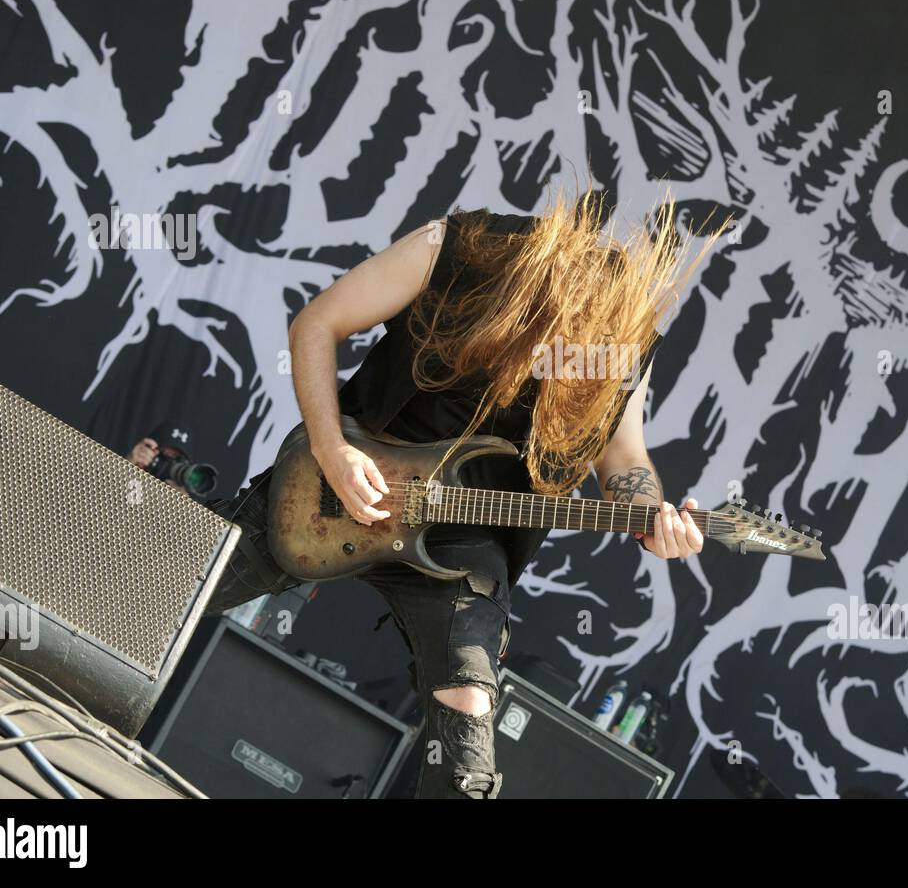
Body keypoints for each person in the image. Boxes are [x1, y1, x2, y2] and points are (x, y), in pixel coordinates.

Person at [204, 187, 730, 798]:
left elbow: (625, 455)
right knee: (158, 578)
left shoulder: (623, 337)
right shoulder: (461, 248)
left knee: (469, 706)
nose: (566, 355)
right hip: (352, 479)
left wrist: (653, 522)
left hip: (467, 537)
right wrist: (333, 449)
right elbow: (318, 322)